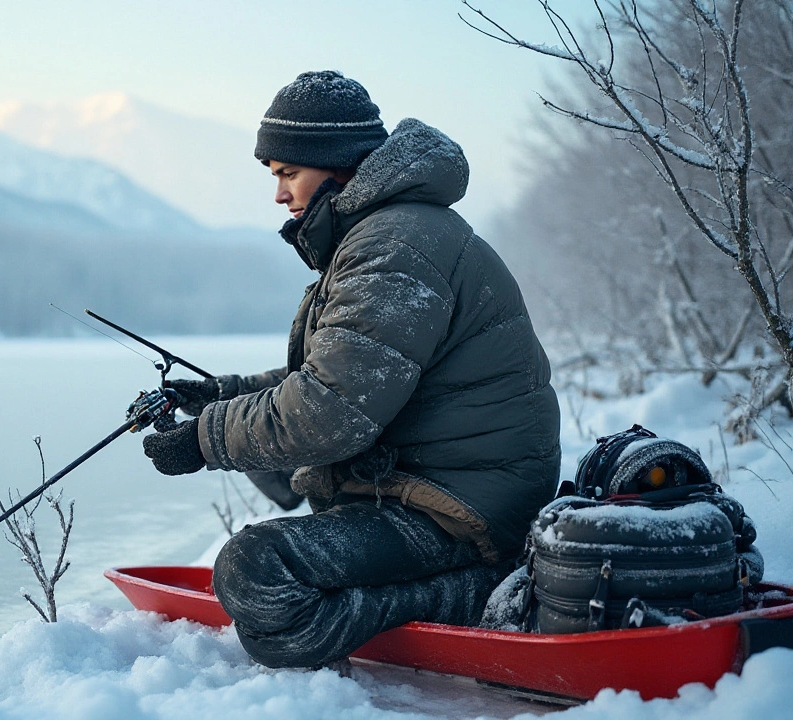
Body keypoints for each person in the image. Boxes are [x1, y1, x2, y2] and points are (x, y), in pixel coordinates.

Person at [141, 70, 561, 668]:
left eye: (288, 174)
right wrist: (219, 395)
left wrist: (208, 439)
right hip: (437, 492)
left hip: (462, 511)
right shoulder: (386, 232)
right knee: (273, 560)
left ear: (336, 164)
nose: (279, 195)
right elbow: (342, 375)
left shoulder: (395, 247)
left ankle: (473, 594)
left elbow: (329, 412)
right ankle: (423, 593)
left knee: (254, 569)